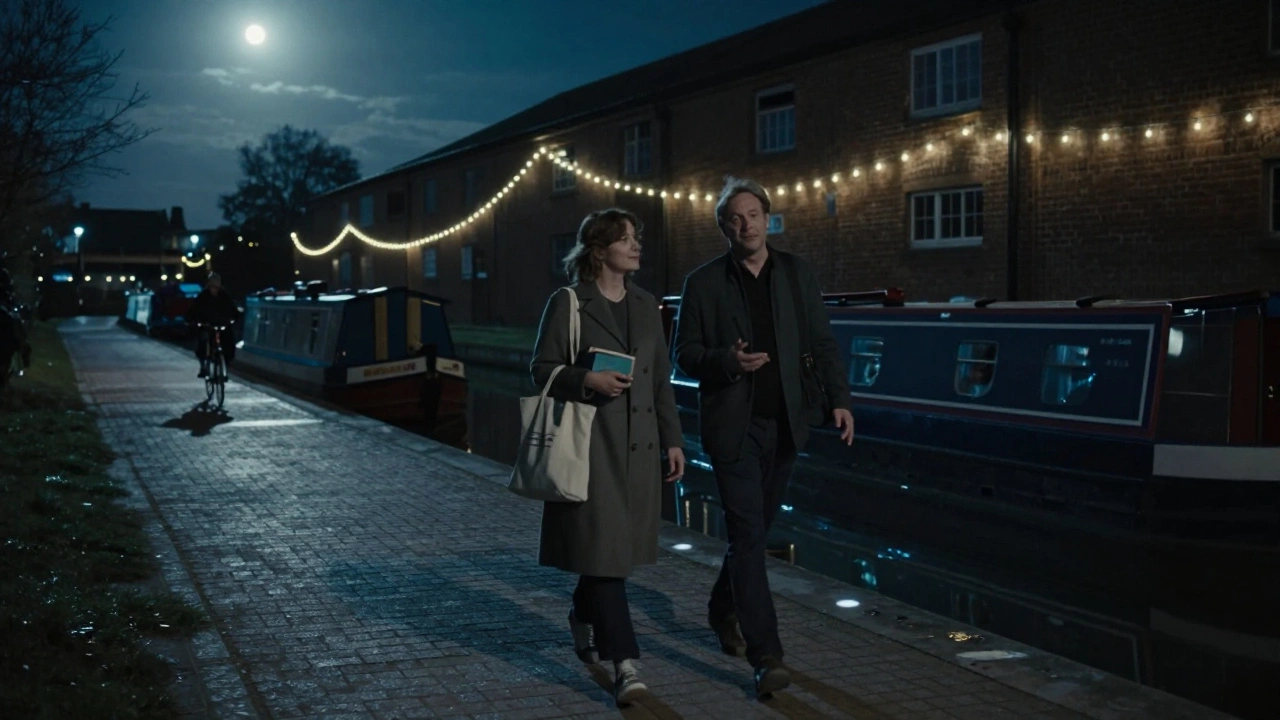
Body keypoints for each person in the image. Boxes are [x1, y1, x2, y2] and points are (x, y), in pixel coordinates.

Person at [672, 175, 854, 698]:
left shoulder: (797, 273)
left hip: (788, 424)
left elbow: (821, 342)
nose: (745, 224)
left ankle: (720, 608)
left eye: (753, 214)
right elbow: (684, 354)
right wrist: (727, 361)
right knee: (750, 535)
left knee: (752, 534)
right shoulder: (703, 282)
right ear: (723, 227)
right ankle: (766, 654)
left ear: (767, 218)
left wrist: (840, 400)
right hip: (732, 428)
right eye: (734, 217)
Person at [529, 208, 686, 707]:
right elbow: (541, 369)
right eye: (625, 239)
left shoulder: (647, 306)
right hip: (590, 450)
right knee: (607, 561)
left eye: (637, 238)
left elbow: (659, 381)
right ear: (600, 251)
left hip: (637, 453)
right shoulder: (570, 302)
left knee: (607, 557)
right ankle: (625, 665)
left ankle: (581, 614)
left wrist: (674, 440)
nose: (637, 246)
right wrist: (587, 379)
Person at [187, 272, 241, 378]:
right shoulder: (203, 296)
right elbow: (193, 310)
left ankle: (224, 366)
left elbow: (233, 309)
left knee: (229, 343)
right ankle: (204, 366)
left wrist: (233, 319)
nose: (214, 289)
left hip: (222, 325)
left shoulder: (225, 296)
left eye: (216, 286)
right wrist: (195, 321)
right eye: (212, 286)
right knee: (203, 342)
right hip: (207, 325)